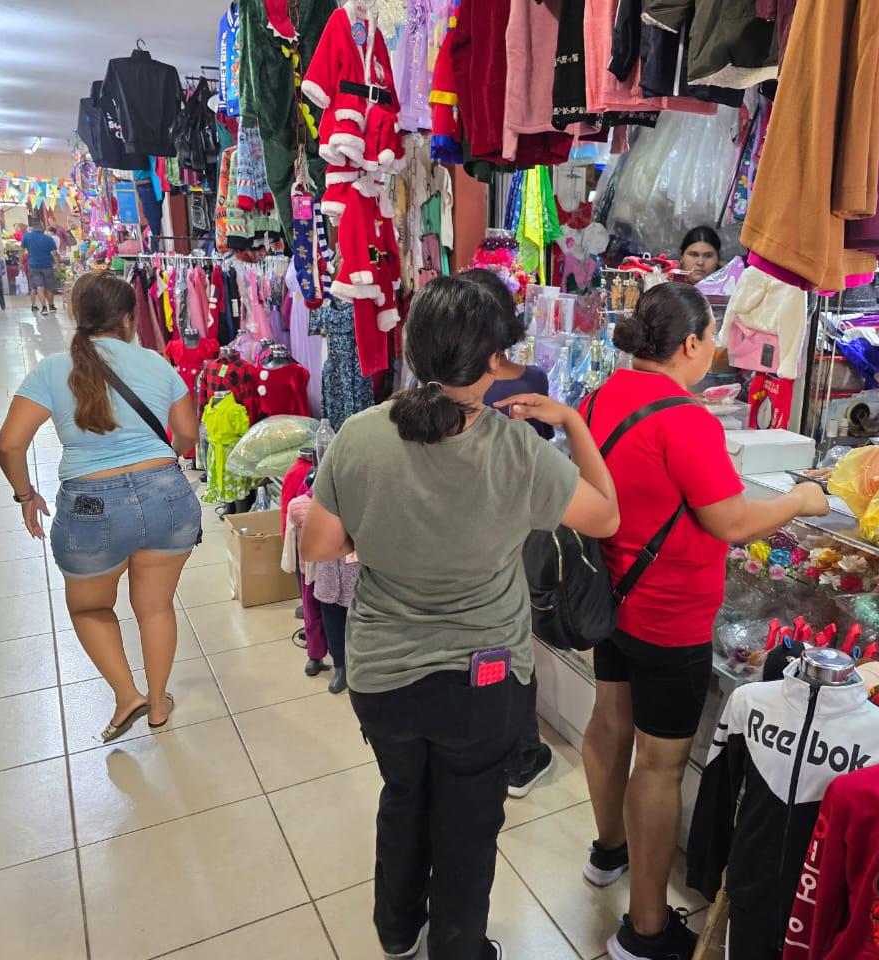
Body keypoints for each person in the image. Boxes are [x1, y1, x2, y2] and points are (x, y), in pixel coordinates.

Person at [298, 276, 620, 960]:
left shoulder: (359, 436)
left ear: (415, 349)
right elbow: (606, 513)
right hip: (484, 678)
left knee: (403, 793)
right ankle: (457, 949)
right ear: (497, 361)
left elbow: (320, 547)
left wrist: (383, 536)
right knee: (468, 824)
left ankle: (396, 932)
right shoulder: (518, 451)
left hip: (383, 672)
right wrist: (573, 422)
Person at [579, 282, 829, 960]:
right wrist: (803, 497)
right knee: (659, 768)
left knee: (609, 723)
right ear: (689, 344)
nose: (715, 348)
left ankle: (608, 852)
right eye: (711, 336)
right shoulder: (685, 416)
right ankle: (646, 930)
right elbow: (733, 520)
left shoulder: (604, 395)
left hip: (613, 596)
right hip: (668, 616)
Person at [0, 271, 200, 743]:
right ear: (129, 319)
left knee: (90, 609)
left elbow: (9, 445)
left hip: (89, 505)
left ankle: (127, 695)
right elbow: (187, 437)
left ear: (76, 315)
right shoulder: (157, 364)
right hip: (166, 495)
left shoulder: (51, 369)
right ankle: (158, 704)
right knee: (155, 607)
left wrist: (26, 496)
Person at [462, 267, 556, 798]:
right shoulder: (500, 378)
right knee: (503, 634)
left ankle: (516, 752)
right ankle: (516, 752)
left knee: (503, 632)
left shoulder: (532, 378)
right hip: (493, 516)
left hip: (506, 517)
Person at [21, 216, 62, 313]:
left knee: (39, 286)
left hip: (33, 266)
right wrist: (58, 267)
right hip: (47, 265)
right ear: (41, 225)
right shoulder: (48, 239)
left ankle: (44, 307)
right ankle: (51, 306)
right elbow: (55, 254)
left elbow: (21, 250)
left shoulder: (26, 237)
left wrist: (20, 263)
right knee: (49, 286)